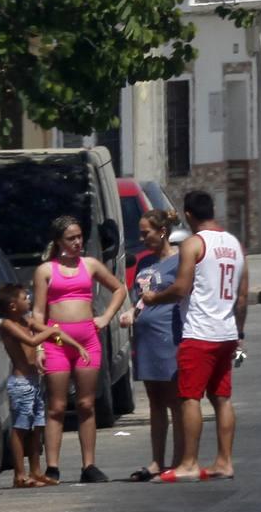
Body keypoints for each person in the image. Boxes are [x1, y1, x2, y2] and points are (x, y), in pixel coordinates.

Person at [141, 191, 245, 483]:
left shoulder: (194, 244)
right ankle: (224, 461)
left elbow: (181, 288)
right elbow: (243, 295)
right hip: (226, 331)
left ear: (188, 215)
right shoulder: (234, 244)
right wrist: (239, 332)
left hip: (199, 332)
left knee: (189, 398)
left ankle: (188, 462)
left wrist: (154, 299)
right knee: (222, 398)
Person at [31, 215, 127, 484]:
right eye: (71, 238)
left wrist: (105, 317)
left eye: (79, 236)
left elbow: (119, 288)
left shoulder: (91, 265)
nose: (77, 242)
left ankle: (89, 465)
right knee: (57, 406)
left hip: (87, 340)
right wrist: (38, 347)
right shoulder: (46, 270)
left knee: (86, 403)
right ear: (59, 241)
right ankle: (52, 466)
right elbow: (38, 311)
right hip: (57, 341)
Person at [0, 283, 89, 488]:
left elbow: (54, 333)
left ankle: (36, 471)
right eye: (24, 297)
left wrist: (77, 345)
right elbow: (34, 340)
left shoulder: (25, 320)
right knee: (20, 428)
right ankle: (19, 474)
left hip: (34, 382)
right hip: (20, 383)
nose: (29, 299)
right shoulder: (7, 325)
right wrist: (51, 331)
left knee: (37, 427)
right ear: (12, 305)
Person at [118, 209, 183, 482]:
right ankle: (157, 460)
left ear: (162, 231)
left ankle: (180, 460)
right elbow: (139, 299)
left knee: (175, 401)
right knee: (155, 401)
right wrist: (131, 312)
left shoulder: (179, 261)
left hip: (169, 336)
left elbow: (182, 293)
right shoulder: (145, 264)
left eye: (147, 233)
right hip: (145, 339)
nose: (143, 238)